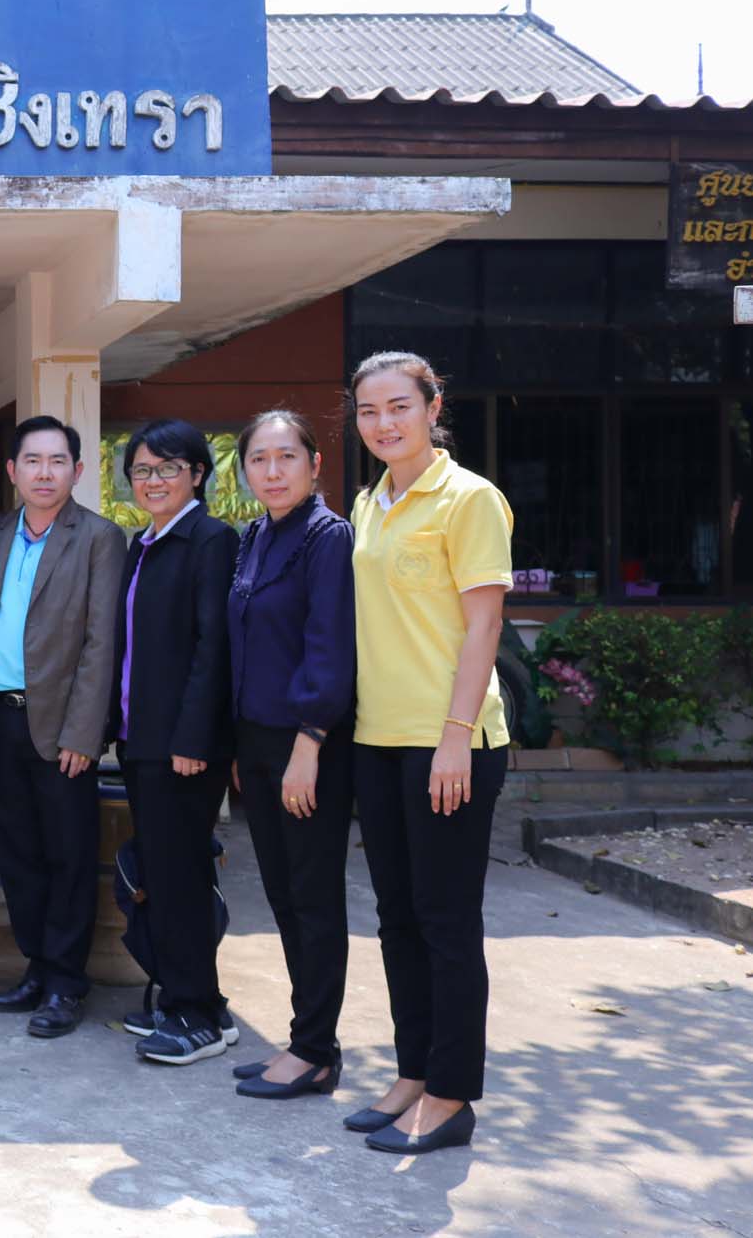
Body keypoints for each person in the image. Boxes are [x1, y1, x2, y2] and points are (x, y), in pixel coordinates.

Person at [344, 351, 513, 1156]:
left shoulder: (469, 498)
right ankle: (413, 1072)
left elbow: (485, 625)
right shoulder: (368, 502)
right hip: (376, 738)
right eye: (368, 411)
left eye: (398, 406)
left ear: (432, 406)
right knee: (397, 920)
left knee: (446, 922)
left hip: (450, 742)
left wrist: (454, 737)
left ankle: (451, 1094)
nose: (383, 423)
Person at [0, 416, 124, 1040]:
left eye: (57, 461)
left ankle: (66, 982)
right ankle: (36, 967)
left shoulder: (98, 538)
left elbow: (101, 642)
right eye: (32, 461)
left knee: (68, 857)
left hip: (62, 728)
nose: (44, 473)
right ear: (12, 471)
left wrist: (83, 734)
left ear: (77, 470)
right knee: (17, 856)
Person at [225, 410, 357, 1100]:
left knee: (312, 896)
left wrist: (309, 743)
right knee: (281, 893)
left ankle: (316, 1050)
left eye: (286, 457)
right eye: (259, 459)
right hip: (257, 740)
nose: (272, 472)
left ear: (314, 464)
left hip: (309, 744)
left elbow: (330, 646)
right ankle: (306, 1039)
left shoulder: (326, 538)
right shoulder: (255, 536)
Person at [110, 417, 240, 1066]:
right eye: (142, 470)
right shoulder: (144, 543)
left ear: (197, 473)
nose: (153, 480)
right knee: (162, 873)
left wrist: (194, 736)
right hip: (143, 739)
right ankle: (198, 1002)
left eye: (167, 468)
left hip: (182, 746)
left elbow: (214, 646)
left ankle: (195, 1017)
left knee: (181, 875)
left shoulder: (211, 540)